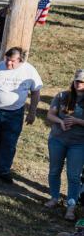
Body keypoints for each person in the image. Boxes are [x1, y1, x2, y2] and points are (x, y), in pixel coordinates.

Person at [0, 47, 43, 182]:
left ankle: (3, 170)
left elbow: (35, 91)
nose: (8, 63)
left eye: (12, 61)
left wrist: (32, 111)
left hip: (15, 113)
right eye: (7, 60)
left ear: (20, 60)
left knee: (9, 143)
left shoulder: (29, 71)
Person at [45, 69, 84, 220]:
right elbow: (50, 114)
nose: (78, 83)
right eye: (77, 80)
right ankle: (54, 198)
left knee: (73, 175)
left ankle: (71, 207)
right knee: (54, 170)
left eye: (81, 81)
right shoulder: (62, 96)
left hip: (79, 143)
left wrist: (77, 121)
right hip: (58, 139)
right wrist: (60, 121)